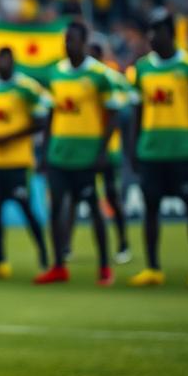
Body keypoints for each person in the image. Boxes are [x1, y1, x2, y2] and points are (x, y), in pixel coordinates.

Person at [126, 9, 188, 289]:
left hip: (182, 150)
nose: (151, 37)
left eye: (156, 31)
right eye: (149, 31)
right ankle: (153, 267)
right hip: (151, 150)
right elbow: (137, 112)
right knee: (150, 209)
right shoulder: (141, 69)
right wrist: (135, 148)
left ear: (170, 33)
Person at [34, 21, 118, 287]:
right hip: (60, 154)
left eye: (72, 40)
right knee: (56, 209)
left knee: (94, 210)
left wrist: (102, 150)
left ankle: (104, 266)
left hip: (86, 155)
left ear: (84, 43)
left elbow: (114, 114)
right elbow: (50, 114)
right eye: (65, 40)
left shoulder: (99, 75)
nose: (67, 45)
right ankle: (58, 265)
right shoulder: (56, 73)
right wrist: (45, 151)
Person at [0, 47, 51, 279]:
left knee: (26, 208)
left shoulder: (26, 87)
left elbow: (41, 120)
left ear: (13, 63)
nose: (2, 64)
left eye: (6, 60)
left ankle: (44, 254)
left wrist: (8, 137)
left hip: (18, 161)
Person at [88, 41, 133, 265]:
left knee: (112, 196)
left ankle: (123, 242)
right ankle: (66, 246)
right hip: (86, 148)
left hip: (109, 149)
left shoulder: (112, 79)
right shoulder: (82, 78)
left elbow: (122, 112)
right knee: (82, 197)